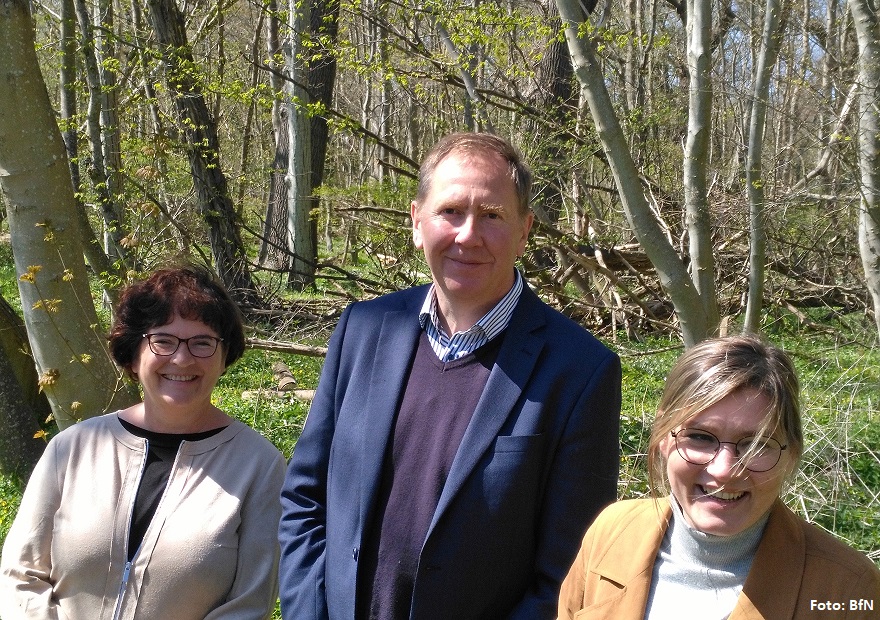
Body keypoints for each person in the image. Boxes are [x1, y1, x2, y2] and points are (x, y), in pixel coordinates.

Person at [278, 132, 622, 620]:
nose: (468, 235)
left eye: (492, 216)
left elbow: (569, 574)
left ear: (524, 231)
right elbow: (305, 500)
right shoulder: (364, 330)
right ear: (417, 221)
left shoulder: (580, 371)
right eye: (451, 212)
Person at [0, 265, 286, 620]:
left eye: (203, 342)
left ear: (224, 357)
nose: (182, 358)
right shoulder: (72, 448)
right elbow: (21, 574)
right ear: (133, 354)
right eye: (163, 340)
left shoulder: (259, 465)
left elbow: (249, 603)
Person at [558, 334, 880, 620]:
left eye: (756, 444)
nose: (724, 470)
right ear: (664, 438)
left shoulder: (850, 590)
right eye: (700, 437)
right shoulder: (611, 530)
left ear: (791, 453)